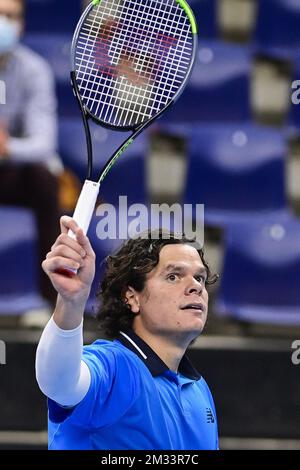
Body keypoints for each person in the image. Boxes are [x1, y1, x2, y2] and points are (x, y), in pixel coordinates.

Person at [36, 215, 219, 450]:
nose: (196, 286)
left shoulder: (199, 389)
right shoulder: (114, 366)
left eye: (200, 277)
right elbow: (58, 381)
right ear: (132, 297)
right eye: (173, 276)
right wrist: (71, 302)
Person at [0, 0, 61, 308]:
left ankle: (48, 300)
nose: (3, 23)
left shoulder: (34, 70)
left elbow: (44, 144)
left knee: (45, 181)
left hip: (14, 171)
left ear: (21, 25)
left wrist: (7, 147)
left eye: (9, 16)